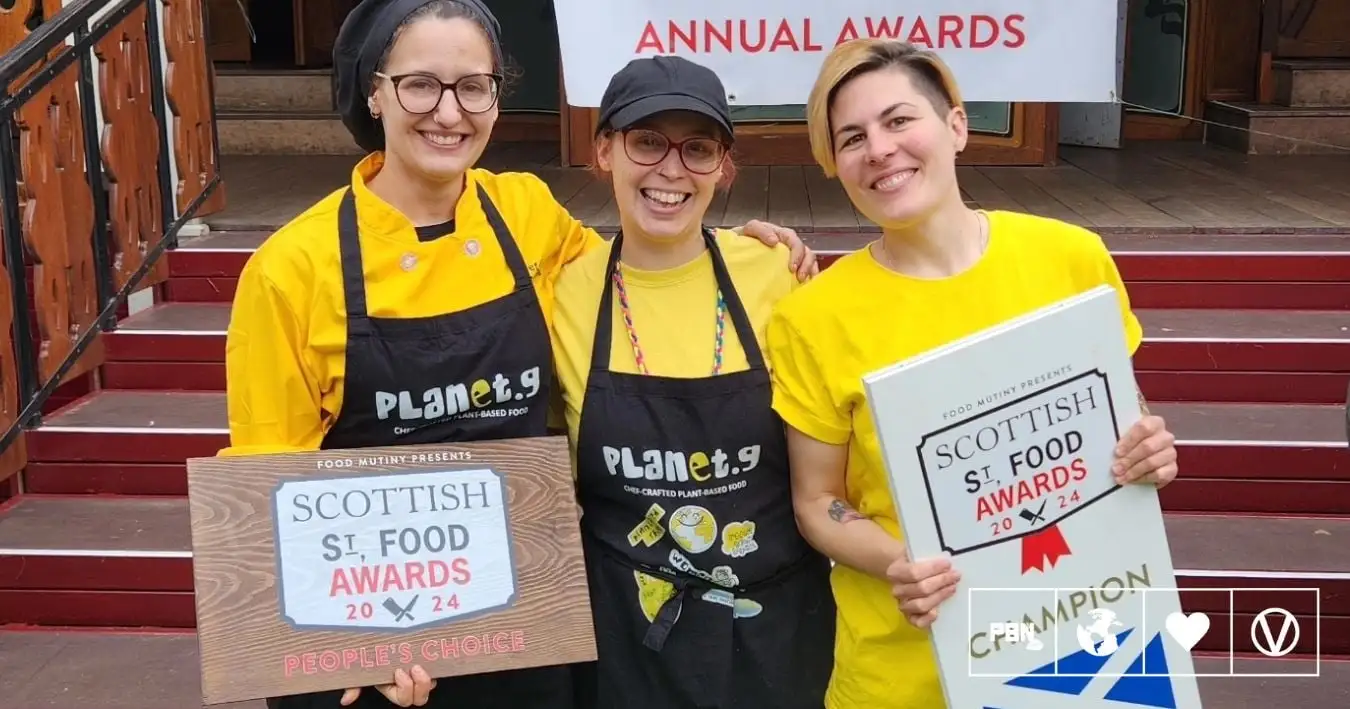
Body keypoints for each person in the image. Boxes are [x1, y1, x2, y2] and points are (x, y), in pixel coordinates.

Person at [220, 1, 816, 707]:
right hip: (370, 642)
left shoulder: (527, 215)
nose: (449, 111)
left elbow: (645, 278)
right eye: (420, 84)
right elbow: (265, 485)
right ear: (372, 91)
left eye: (474, 86)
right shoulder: (290, 268)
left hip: (525, 621)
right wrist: (345, 645)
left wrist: (739, 255)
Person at [764, 39, 1181, 709]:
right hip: (907, 669)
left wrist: (1149, 451)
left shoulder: (1070, 259)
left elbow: (1126, 417)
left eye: (900, 120)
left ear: (956, 125)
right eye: (851, 137)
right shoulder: (812, 318)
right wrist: (898, 562)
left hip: (1086, 651)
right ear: (835, 165)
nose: (879, 149)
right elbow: (818, 502)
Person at [549, 56, 836, 709]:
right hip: (627, 637)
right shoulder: (561, 287)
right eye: (647, 141)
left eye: (698, 149)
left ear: (723, 168)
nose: (671, 169)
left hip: (777, 632)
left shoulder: (774, 272)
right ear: (604, 150)